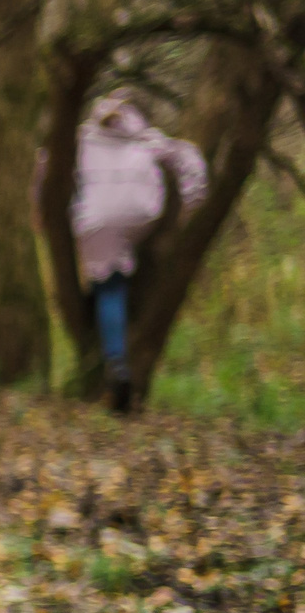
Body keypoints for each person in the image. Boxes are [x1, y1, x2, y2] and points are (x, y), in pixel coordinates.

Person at [66, 91, 206, 412]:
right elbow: (187, 155)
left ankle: (117, 363)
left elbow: (46, 163)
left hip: (96, 220)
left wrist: (38, 209)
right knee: (115, 273)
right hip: (140, 216)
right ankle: (110, 305)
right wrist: (192, 198)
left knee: (108, 285)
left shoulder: (84, 138)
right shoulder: (145, 138)